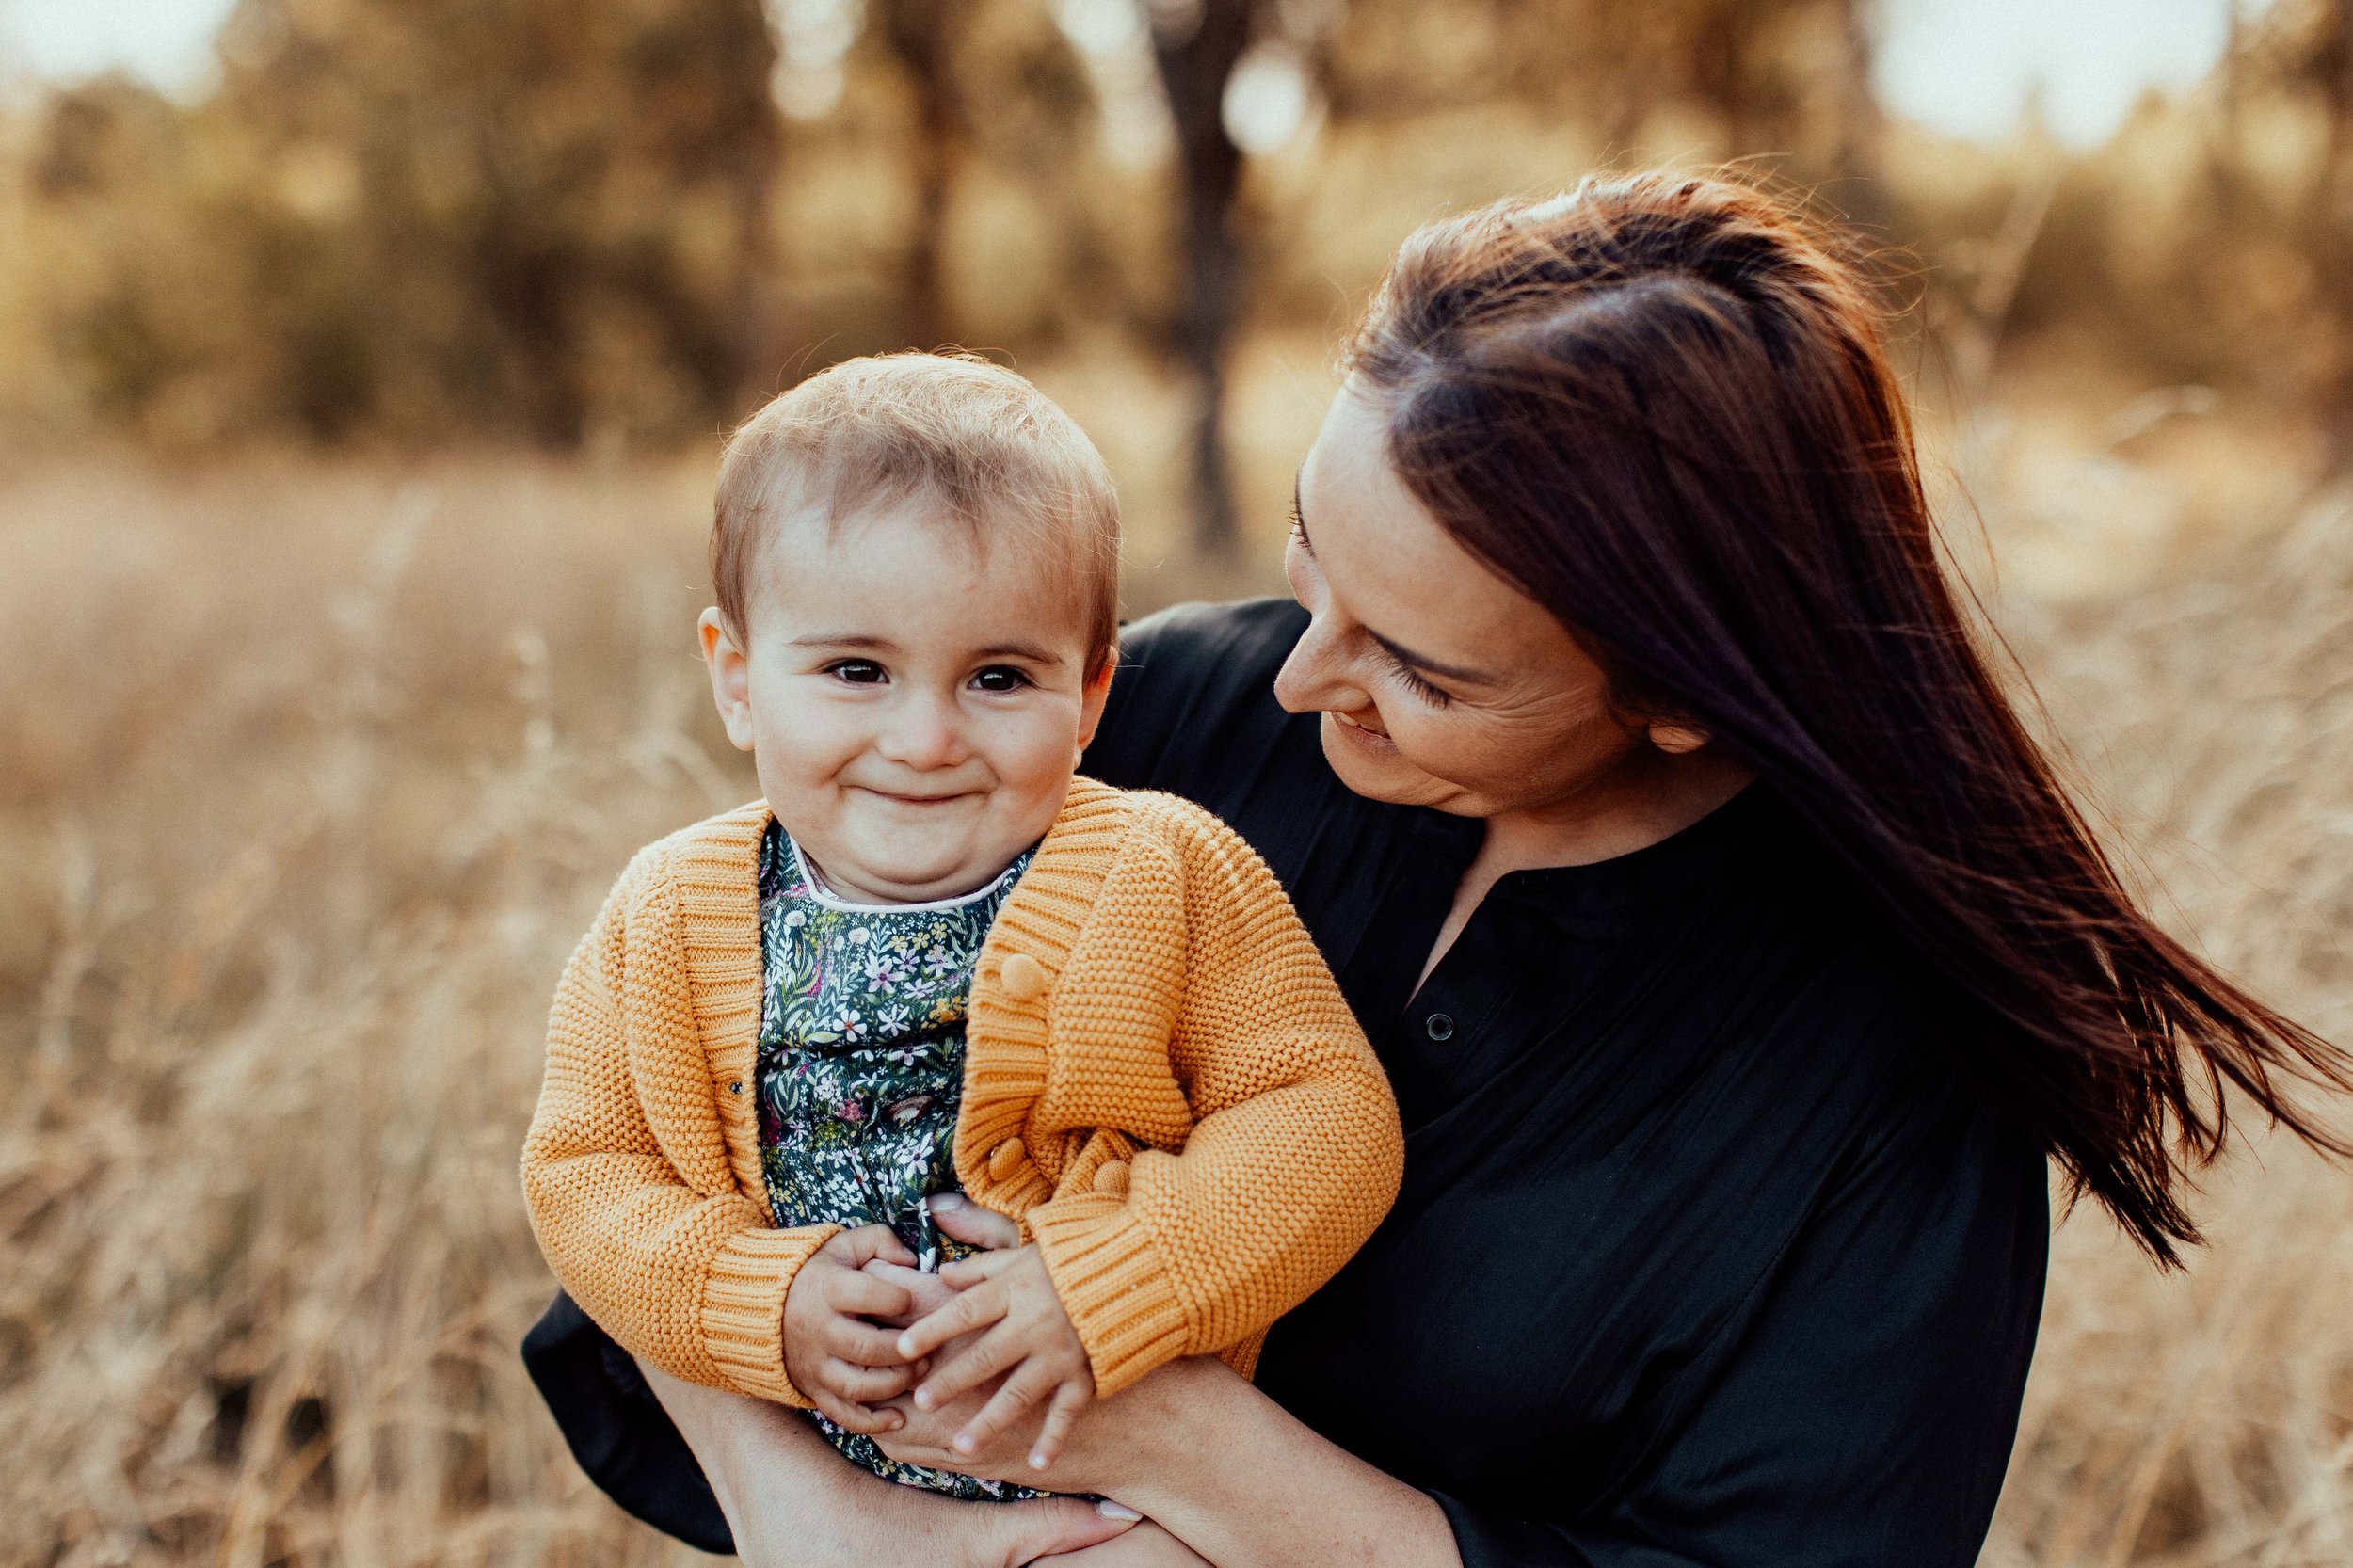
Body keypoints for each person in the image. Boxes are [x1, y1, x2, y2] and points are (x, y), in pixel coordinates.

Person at [523, 173, 2350, 1567]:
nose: (1303, 669)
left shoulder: (1880, 1094)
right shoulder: (1156, 714)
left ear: (1677, 701)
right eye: (1314, 559)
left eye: (1426, 667)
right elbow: (667, 1113)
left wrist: (1183, 1450)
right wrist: (808, 1511)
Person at [519, 353, 1403, 1520]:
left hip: (1131, 1507)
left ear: (1089, 696)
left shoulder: (1165, 871)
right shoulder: (667, 914)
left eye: (997, 676)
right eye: (854, 670)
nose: (925, 737)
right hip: (832, 1497)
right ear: (736, 679)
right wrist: (757, 1299)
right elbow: (587, 1170)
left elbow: (1326, 1118)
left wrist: (1107, 1280)